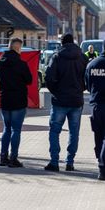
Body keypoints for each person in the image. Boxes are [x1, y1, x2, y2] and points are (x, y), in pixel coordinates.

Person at [45, 33, 88, 172]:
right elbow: (87, 79)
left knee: (54, 131)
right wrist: (81, 88)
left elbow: (49, 78)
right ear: (73, 42)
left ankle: (54, 162)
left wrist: (55, 92)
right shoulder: (82, 57)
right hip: (76, 100)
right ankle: (70, 162)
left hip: (60, 101)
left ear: (62, 43)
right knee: (74, 132)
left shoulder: (57, 57)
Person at [0, 38, 32, 167]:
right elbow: (29, 80)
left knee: (6, 128)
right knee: (16, 130)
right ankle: (13, 158)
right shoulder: (22, 64)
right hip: (18, 100)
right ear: (18, 48)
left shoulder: (0, 63)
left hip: (5, 99)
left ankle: (3, 157)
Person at [85, 41, 105, 180]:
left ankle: (100, 162)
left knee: (98, 135)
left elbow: (87, 85)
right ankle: (103, 167)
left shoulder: (92, 64)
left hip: (96, 105)